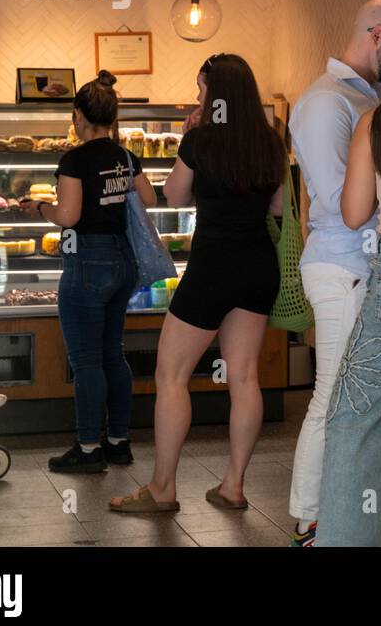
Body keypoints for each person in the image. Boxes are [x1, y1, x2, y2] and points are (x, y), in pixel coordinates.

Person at [110, 53, 284, 513]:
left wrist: (191, 139)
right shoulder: (269, 142)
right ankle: (233, 485)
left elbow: (173, 195)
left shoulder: (200, 140)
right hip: (258, 267)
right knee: (244, 376)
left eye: (201, 88)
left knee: (171, 375)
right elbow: (281, 208)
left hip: (211, 269)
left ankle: (163, 489)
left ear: (217, 92)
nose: (197, 96)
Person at [286, 0, 381, 546]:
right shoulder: (324, 103)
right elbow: (342, 204)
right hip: (343, 269)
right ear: (379, 35)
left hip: (370, 267)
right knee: (338, 398)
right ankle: (313, 519)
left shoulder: (368, 101)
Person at [28, 70, 156, 473]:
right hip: (123, 261)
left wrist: (38, 208)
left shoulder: (75, 159)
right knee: (112, 355)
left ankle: (87, 449)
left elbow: (68, 216)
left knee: (86, 362)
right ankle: (118, 443)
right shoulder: (124, 156)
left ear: (78, 115)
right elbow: (149, 197)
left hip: (88, 262)